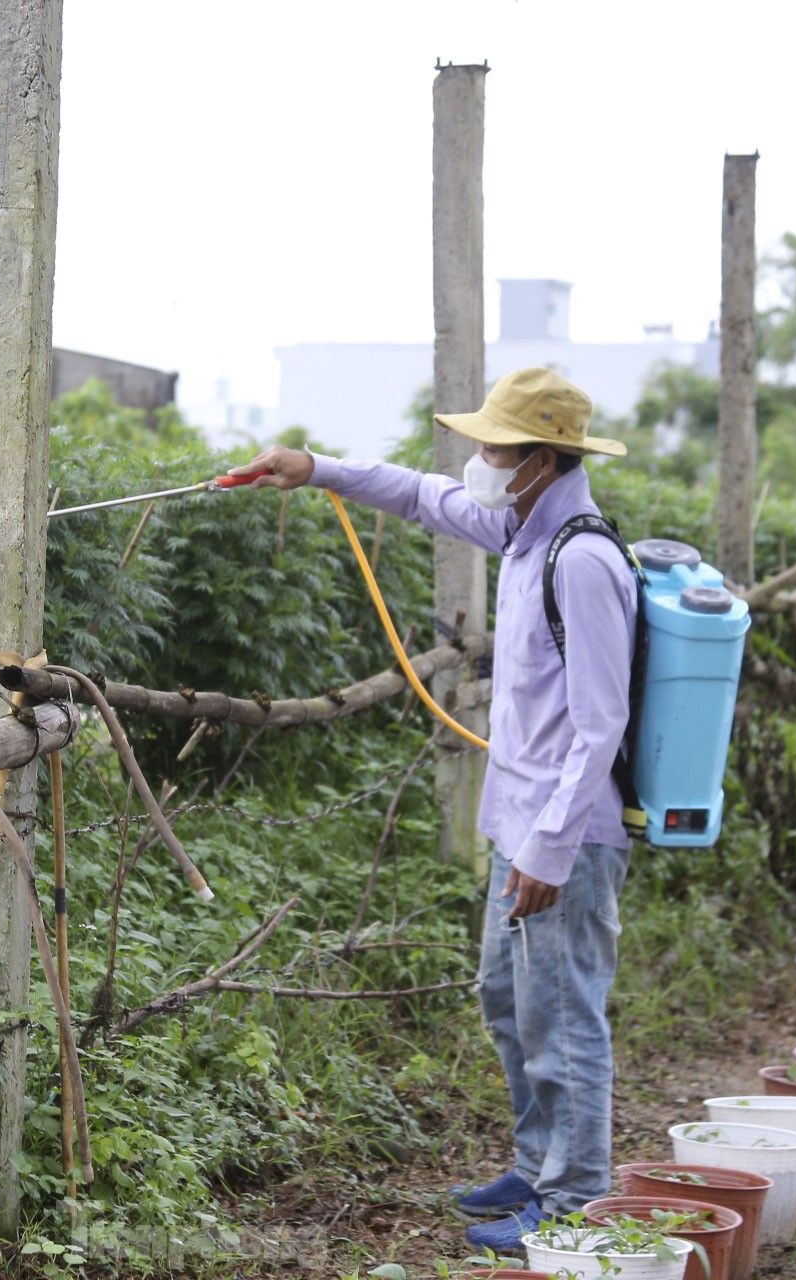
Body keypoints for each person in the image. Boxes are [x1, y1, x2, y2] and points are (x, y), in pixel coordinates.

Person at [233, 368, 637, 1254]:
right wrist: (315, 467)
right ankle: (536, 1168)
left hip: (564, 839)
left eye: (495, 446)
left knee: (564, 1016)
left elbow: (601, 724)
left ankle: (575, 1205)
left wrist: (550, 853)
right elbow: (422, 495)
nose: (479, 459)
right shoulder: (523, 532)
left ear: (540, 459)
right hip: (519, 828)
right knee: (510, 1002)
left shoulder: (586, 559)